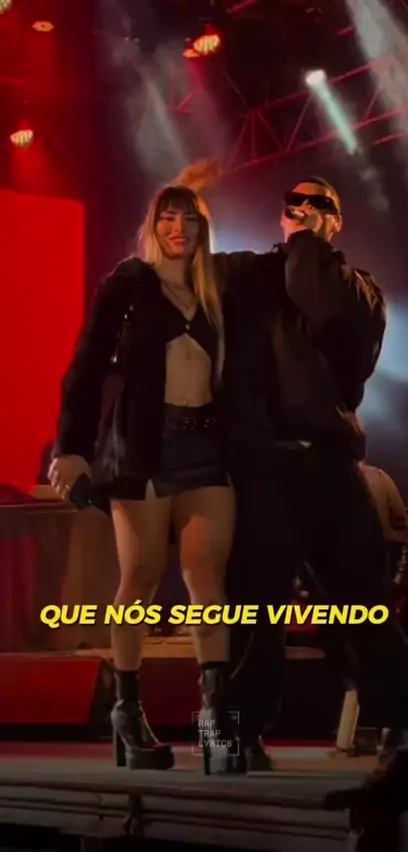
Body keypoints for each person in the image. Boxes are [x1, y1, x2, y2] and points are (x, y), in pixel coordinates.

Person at [218, 176, 408, 768]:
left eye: (319, 204)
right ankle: (235, 734)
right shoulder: (245, 274)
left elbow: (324, 312)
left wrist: (306, 246)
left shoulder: (358, 289)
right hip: (261, 462)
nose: (304, 208)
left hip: (328, 460)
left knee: (363, 600)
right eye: (293, 201)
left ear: (336, 222)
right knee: (255, 607)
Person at [48, 170, 244, 775]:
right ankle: (127, 712)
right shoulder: (130, 283)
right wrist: (70, 449)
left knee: (208, 583)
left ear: (203, 228)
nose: (178, 228)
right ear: (153, 226)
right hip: (144, 448)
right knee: (139, 579)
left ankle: (217, 723)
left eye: (189, 219)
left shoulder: (216, 290)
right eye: (168, 217)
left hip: (206, 449)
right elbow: (85, 366)